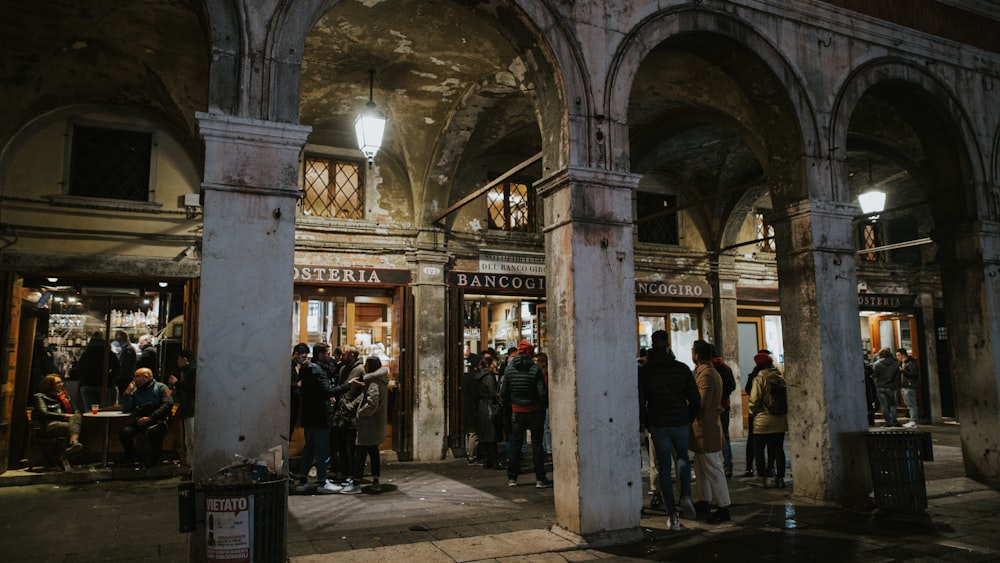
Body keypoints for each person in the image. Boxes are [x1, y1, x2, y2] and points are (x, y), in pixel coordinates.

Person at [638, 330, 700, 531]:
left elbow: (640, 401)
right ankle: (687, 496)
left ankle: (672, 515)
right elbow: (695, 398)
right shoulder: (681, 368)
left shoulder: (645, 371)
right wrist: (689, 416)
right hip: (680, 420)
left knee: (663, 467)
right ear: (667, 344)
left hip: (658, 422)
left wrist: (646, 421)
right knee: (682, 458)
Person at [293, 343, 358, 494]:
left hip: (309, 416)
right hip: (320, 416)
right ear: (321, 355)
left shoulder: (306, 368)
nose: (330, 357)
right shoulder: (317, 370)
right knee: (322, 449)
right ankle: (322, 481)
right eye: (328, 354)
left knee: (309, 448)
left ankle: (303, 480)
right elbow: (328, 391)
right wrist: (348, 384)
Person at [500, 340, 552, 488]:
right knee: (536, 445)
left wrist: (512, 405)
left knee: (516, 444)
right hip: (535, 411)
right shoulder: (535, 370)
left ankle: (512, 478)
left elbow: (504, 393)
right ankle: (540, 478)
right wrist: (543, 405)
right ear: (530, 353)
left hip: (517, 411)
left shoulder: (509, 370)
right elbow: (542, 392)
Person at [690, 340, 732, 524]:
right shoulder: (707, 371)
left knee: (712, 468)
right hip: (702, 429)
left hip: (706, 429)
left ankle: (723, 506)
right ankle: (703, 500)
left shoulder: (706, 374)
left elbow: (702, 402)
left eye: (693, 351)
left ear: (697, 355)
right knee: (701, 467)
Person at [342, 356, 390, 494]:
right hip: (374, 423)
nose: (364, 367)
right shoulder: (379, 380)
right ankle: (375, 480)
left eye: (366, 364)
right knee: (373, 452)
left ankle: (356, 482)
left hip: (369, 424)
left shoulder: (374, 382)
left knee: (360, 453)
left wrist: (360, 413)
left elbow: (372, 403)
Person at [748, 352, 788, 488]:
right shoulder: (780, 378)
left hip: (762, 421)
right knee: (778, 449)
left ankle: (762, 478)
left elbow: (754, 400)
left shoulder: (759, 379)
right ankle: (780, 478)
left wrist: (752, 413)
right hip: (780, 420)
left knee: (758, 449)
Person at [119, 367, 173, 466]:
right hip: (141, 420)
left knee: (154, 432)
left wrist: (151, 417)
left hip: (158, 420)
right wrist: (127, 393)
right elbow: (126, 409)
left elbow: (168, 404)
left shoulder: (162, 388)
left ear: (146, 377)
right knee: (125, 432)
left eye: (137, 376)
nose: (134, 379)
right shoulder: (135, 391)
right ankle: (131, 456)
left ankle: (156, 458)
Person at [331, 346, 364, 483]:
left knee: (350, 445)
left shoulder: (360, 369)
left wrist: (353, 405)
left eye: (344, 355)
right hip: (340, 413)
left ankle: (352, 473)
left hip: (351, 414)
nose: (341, 357)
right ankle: (343, 470)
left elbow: (363, 391)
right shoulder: (343, 369)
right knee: (340, 444)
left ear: (351, 355)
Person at [32, 374, 84, 457]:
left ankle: (72, 444)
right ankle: (64, 454)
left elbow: (75, 409)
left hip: (66, 423)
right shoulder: (40, 396)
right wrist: (65, 415)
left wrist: (75, 415)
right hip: (49, 425)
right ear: (49, 385)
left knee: (76, 418)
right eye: (58, 383)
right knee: (75, 428)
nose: (61, 384)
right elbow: (44, 413)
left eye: (61, 382)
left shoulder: (64, 396)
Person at [743, 349, 773, 477]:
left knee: (754, 443)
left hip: (756, 415)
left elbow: (749, 393)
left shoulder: (753, 376)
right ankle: (770, 469)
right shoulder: (774, 376)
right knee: (772, 443)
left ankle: (751, 468)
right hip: (772, 414)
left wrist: (752, 411)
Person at [709, 344, 736, 477]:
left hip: (711, 407)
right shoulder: (725, 367)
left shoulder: (706, 369)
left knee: (710, 436)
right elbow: (732, 385)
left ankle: (714, 465)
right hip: (724, 405)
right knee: (725, 436)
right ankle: (728, 464)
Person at [167, 349, 196, 467]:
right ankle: (190, 465)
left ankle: (193, 466)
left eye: (179, 359)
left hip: (191, 410)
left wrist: (177, 383)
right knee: (188, 441)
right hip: (187, 409)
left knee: (192, 440)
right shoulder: (188, 371)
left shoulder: (192, 370)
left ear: (185, 359)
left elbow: (192, 388)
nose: (177, 362)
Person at [76, 333, 120, 409]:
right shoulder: (108, 353)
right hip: (104, 384)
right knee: (104, 410)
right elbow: (117, 369)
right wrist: (109, 378)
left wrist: (85, 377)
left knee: (90, 411)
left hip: (87, 384)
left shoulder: (87, 354)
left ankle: (91, 420)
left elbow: (79, 368)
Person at [475, 354, 500, 469]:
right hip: (489, 406)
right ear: (490, 365)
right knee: (491, 435)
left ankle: (487, 459)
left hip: (482, 406)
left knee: (485, 434)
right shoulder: (489, 377)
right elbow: (492, 393)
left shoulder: (479, 376)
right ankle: (493, 460)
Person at [461, 354, 482, 464]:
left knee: (469, 433)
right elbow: (475, 395)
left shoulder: (465, 376)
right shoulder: (475, 378)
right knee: (474, 433)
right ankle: (472, 456)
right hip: (473, 407)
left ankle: (469, 454)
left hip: (466, 406)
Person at [871, 348, 899, 427]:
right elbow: (897, 377)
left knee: (884, 405)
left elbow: (874, 375)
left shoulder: (877, 364)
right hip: (890, 386)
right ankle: (894, 421)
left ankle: (888, 422)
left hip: (880, 386)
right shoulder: (895, 364)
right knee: (893, 404)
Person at [533, 352, 553, 461]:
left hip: (545, 402)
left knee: (546, 427)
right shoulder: (540, 373)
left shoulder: (545, 373)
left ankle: (548, 449)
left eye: (536, 361)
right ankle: (546, 448)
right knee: (544, 427)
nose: (534, 362)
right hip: (542, 403)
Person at [896, 348, 919, 427]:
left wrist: (903, 371)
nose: (897, 357)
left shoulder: (911, 363)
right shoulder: (903, 363)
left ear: (903, 355)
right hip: (904, 386)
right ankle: (912, 419)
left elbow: (914, 374)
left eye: (898, 355)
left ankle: (913, 420)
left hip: (909, 386)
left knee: (912, 404)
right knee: (908, 404)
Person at [113, 330, 139, 397]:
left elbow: (124, 366)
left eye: (115, 338)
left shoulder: (128, 349)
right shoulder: (126, 348)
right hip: (124, 378)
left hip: (125, 379)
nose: (114, 340)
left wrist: (117, 375)